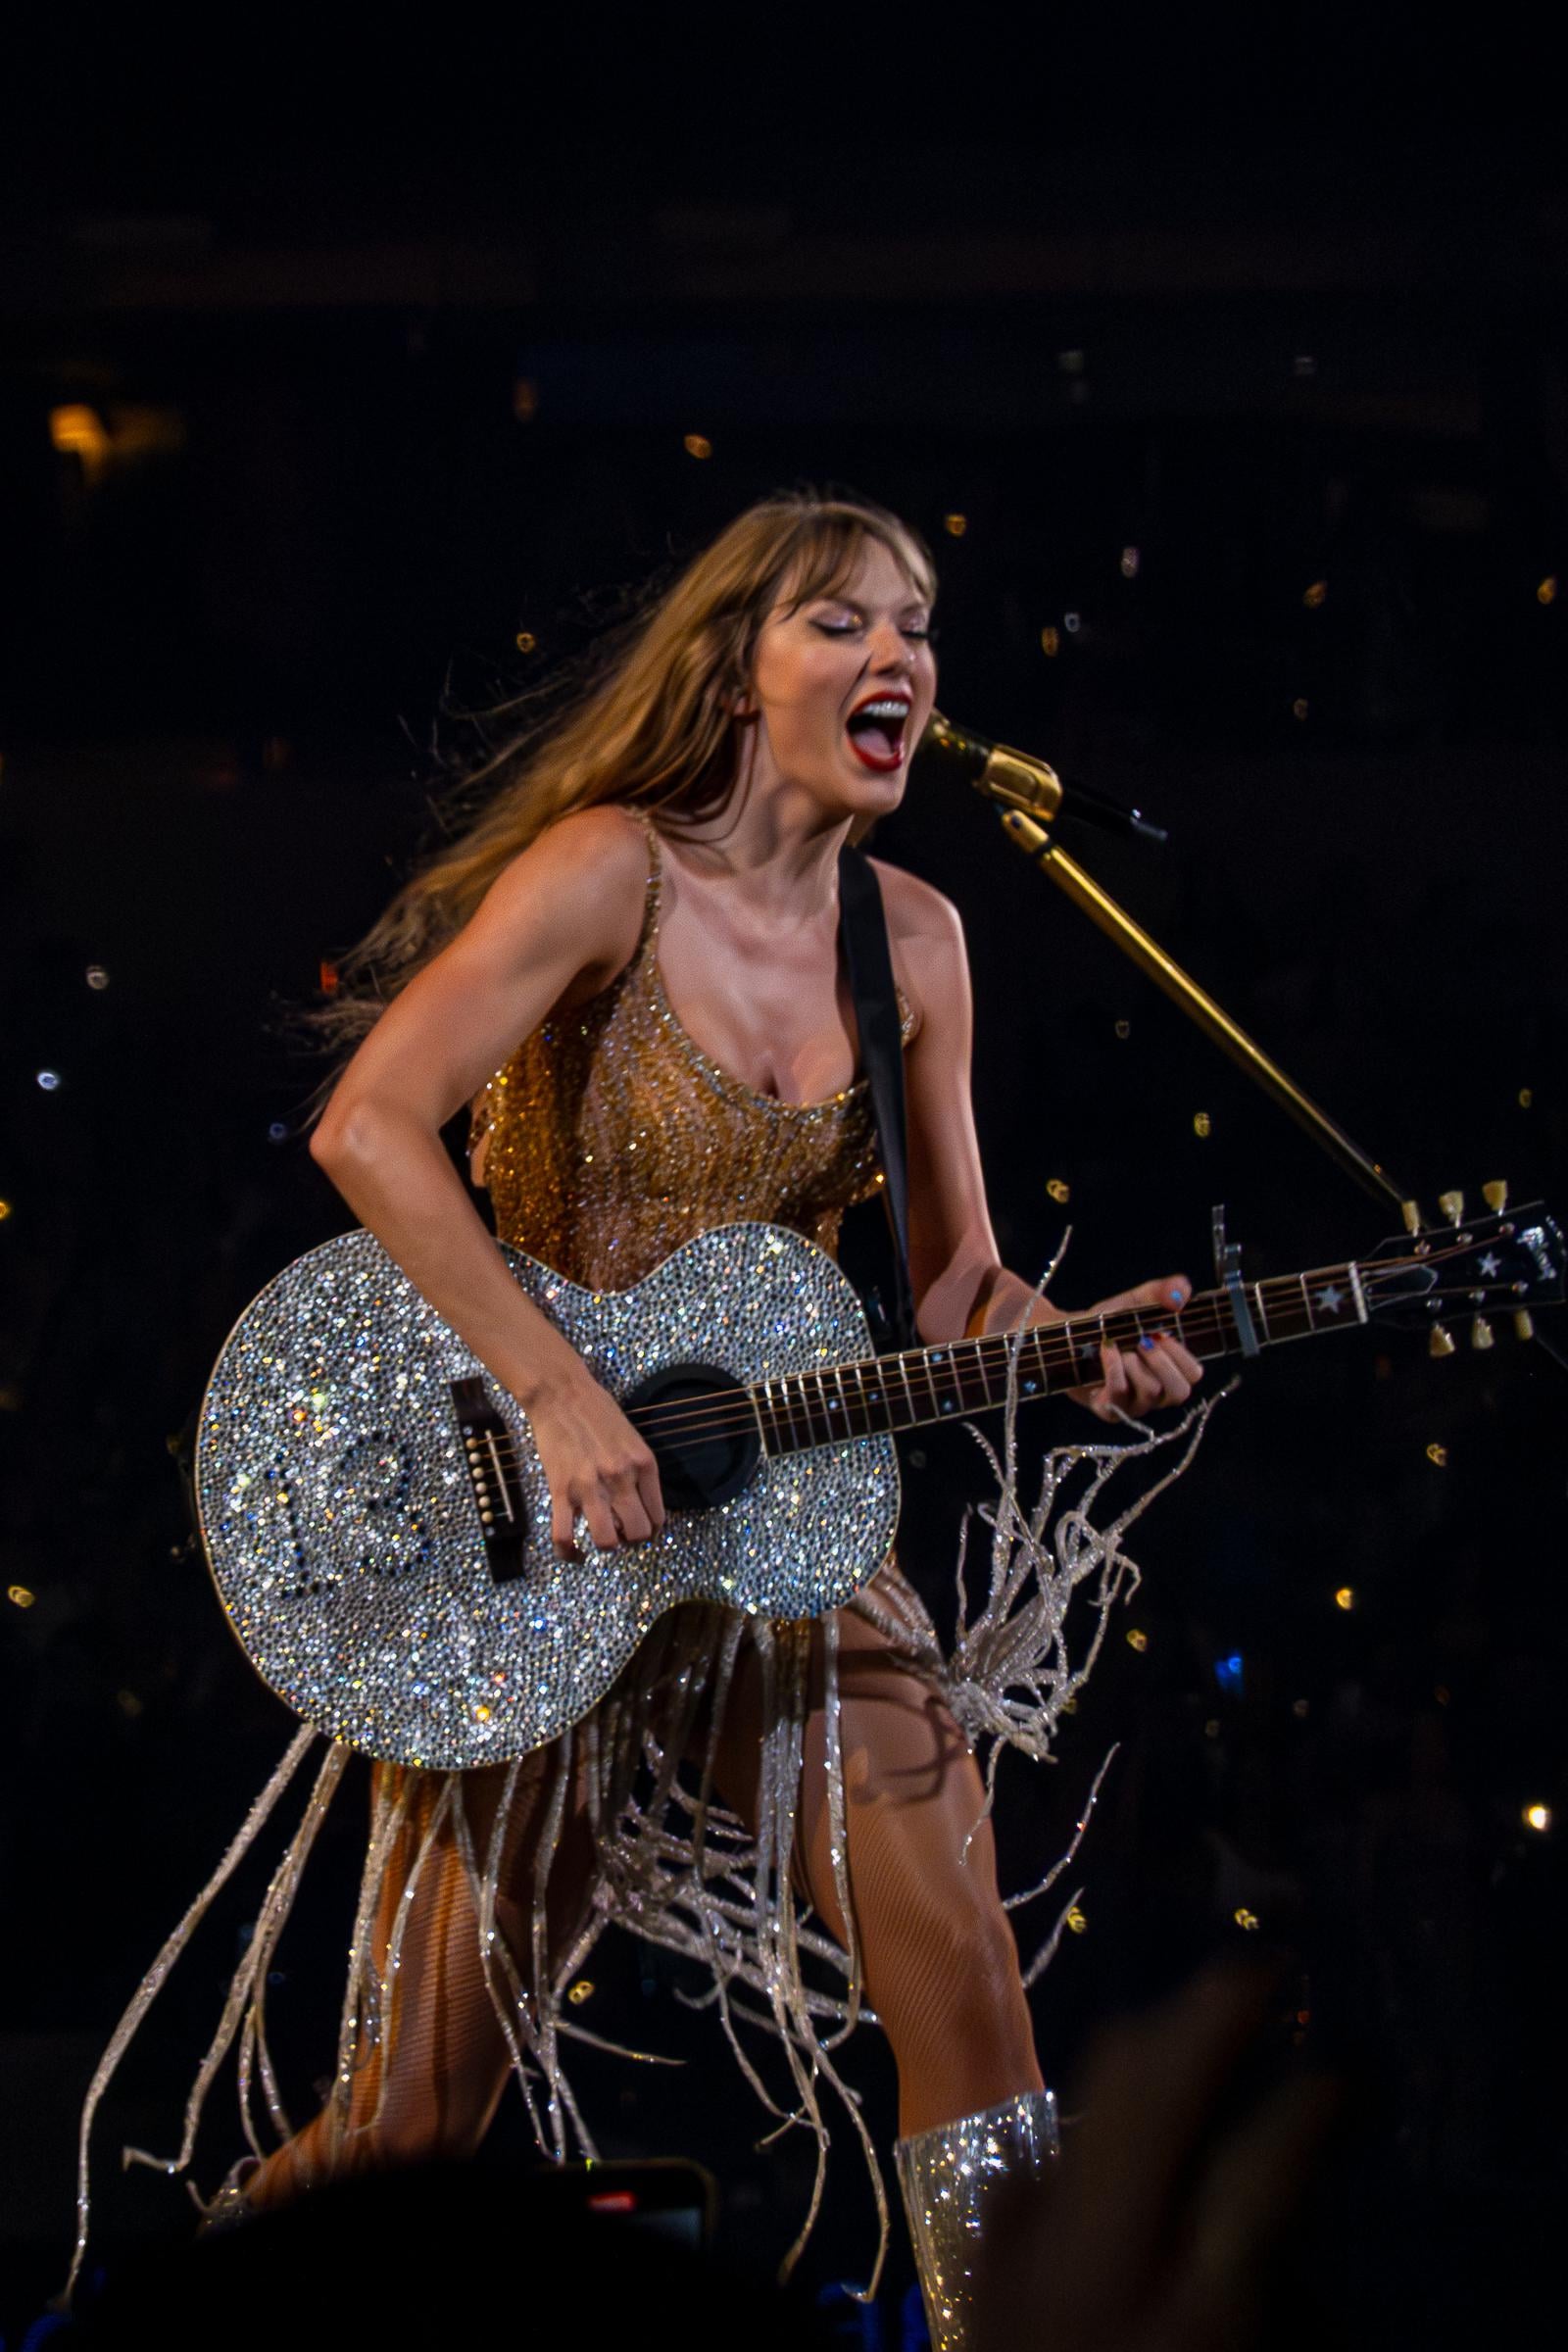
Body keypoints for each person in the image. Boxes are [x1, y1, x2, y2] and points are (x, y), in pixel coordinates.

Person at [74, 491, 1204, 2348]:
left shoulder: (915, 943)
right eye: (841, 620)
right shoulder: (611, 872)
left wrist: (1068, 1341)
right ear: (737, 673)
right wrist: (555, 1386)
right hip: (539, 1538)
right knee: (415, 2120)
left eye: (917, 625)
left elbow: (953, 1285)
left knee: (976, 2011)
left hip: (784, 1533)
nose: (898, 656)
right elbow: (367, 1125)